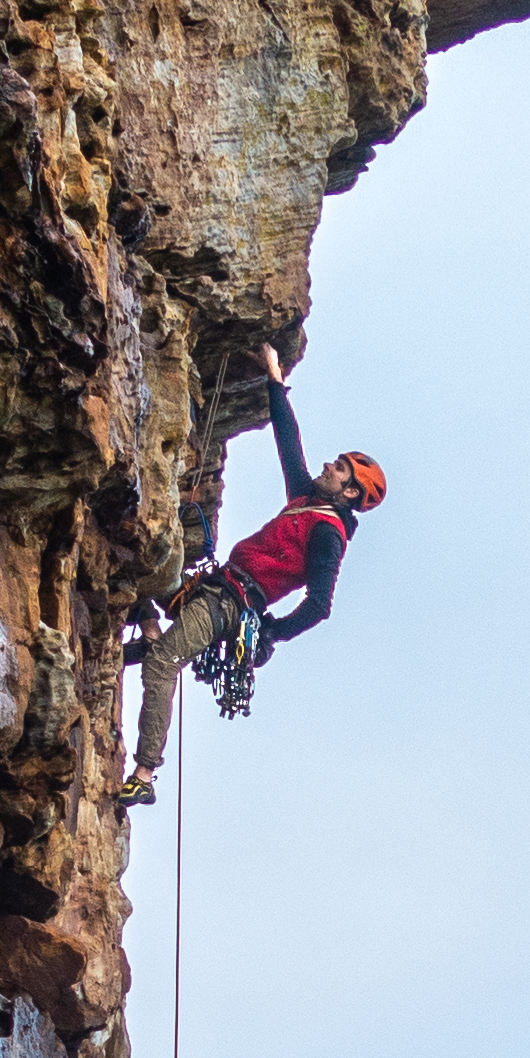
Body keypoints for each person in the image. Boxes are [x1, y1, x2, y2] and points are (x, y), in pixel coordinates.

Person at [119, 342, 386, 802]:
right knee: (139, 563)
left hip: (230, 605)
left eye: (340, 469)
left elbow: (320, 605)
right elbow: (289, 443)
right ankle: (148, 630)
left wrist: (269, 630)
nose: (328, 465)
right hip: (215, 586)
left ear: (349, 493)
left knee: (164, 664)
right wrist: (275, 381)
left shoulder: (328, 535)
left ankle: (143, 776)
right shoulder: (308, 498)